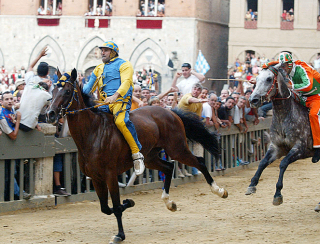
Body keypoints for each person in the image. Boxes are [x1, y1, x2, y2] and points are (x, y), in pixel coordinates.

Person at [83, 41, 145, 175]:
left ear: (113, 52)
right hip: (104, 103)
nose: (102, 53)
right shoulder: (98, 68)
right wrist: (77, 91)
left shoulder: (124, 64)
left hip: (121, 101)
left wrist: (115, 96)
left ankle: (136, 154)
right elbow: (88, 88)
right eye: (102, 50)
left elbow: (127, 83)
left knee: (120, 122)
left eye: (105, 50)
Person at [279, 51, 320, 163]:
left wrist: (292, 86)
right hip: (303, 97)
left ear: (290, 64)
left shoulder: (302, 69)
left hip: (316, 96)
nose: (283, 67)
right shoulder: (287, 69)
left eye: (284, 65)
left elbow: (308, 85)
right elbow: (272, 67)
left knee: (313, 114)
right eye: (282, 65)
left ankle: (318, 147)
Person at [0, 91, 31, 200]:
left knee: (12, 171)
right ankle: (19, 193)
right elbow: (13, 136)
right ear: (1, 101)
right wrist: (17, 120)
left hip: (10, 149)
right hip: (6, 147)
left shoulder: (12, 109)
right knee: (10, 172)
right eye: (6, 99)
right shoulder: (1, 115)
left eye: (11, 99)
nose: (9, 101)